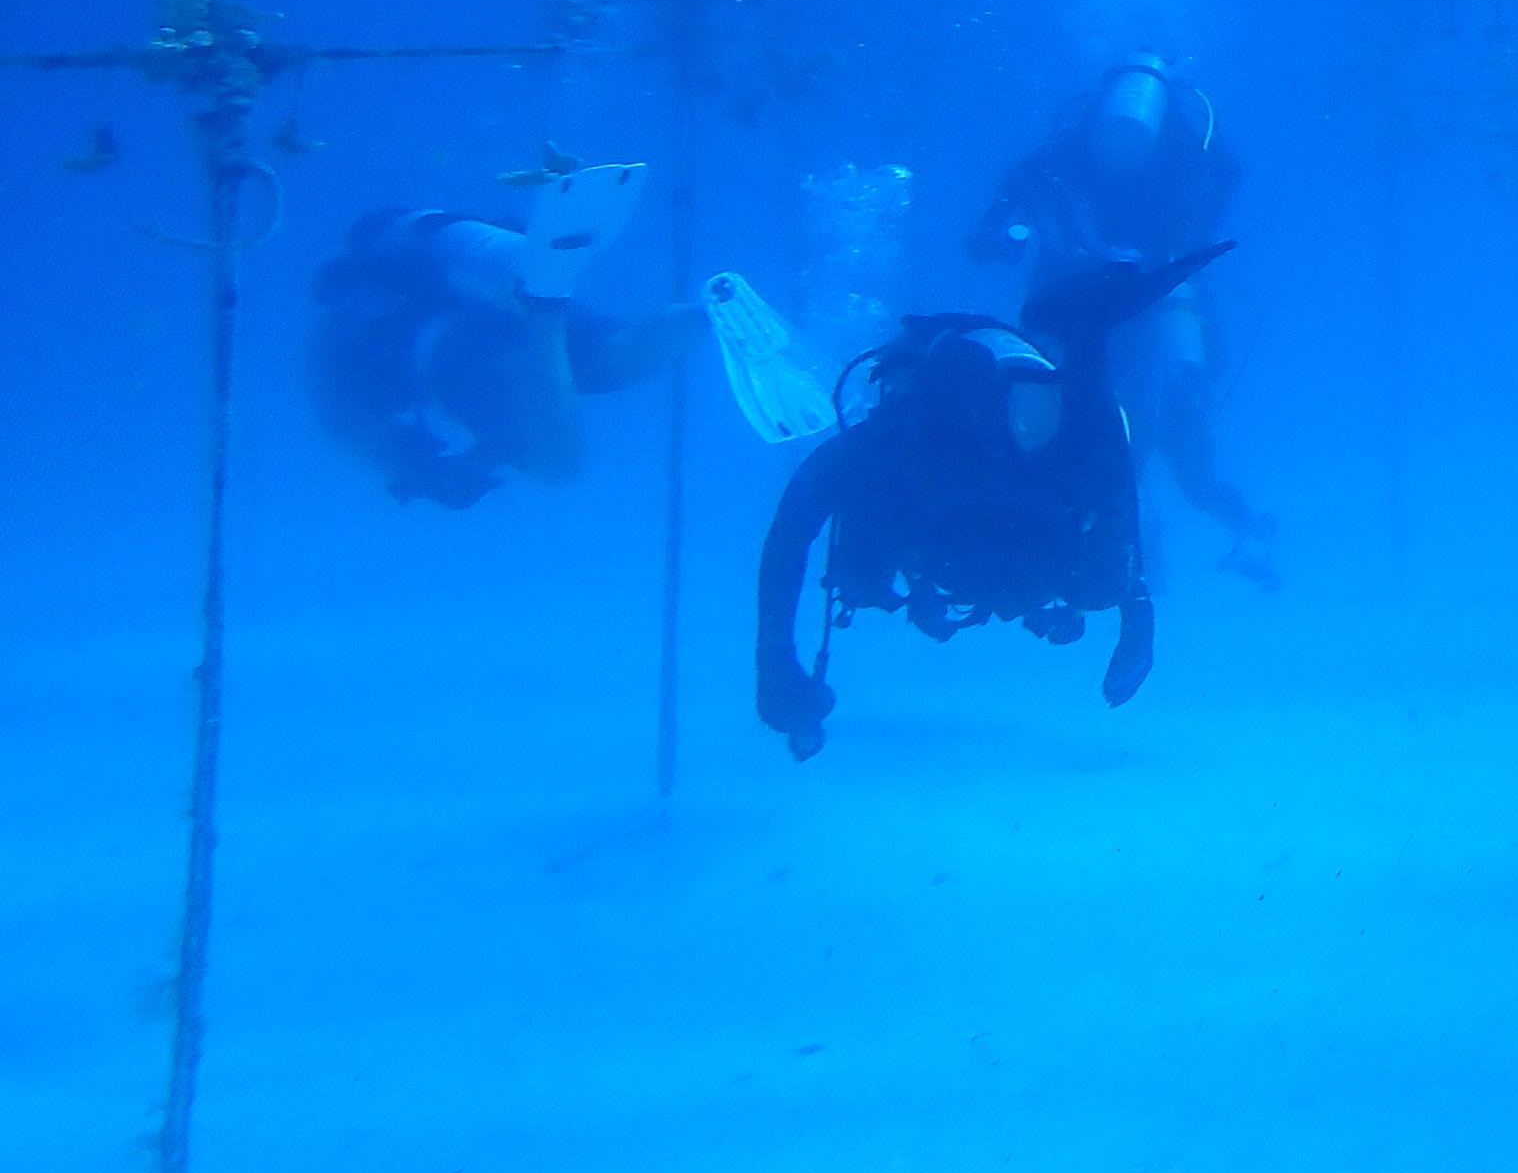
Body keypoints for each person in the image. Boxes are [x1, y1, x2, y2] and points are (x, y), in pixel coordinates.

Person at [752, 246, 1228, 760]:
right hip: (969, 521)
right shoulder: (907, 435)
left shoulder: (1063, 431)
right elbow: (796, 521)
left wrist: (774, 660)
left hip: (995, 522)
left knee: (1093, 577)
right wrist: (774, 661)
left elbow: (792, 528)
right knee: (865, 573)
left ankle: (1083, 337)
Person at [967, 56, 1271, 579]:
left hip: (1123, 317)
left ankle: (1151, 534)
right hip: (1118, 315)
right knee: (1173, 455)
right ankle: (1160, 534)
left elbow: (1005, 209)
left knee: (1158, 444)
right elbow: (1007, 207)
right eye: (1114, 133)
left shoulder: (1120, 153)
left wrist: (1000, 237)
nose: (1121, 145)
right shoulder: (1159, 155)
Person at [306, 164, 687, 508]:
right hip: (507, 302)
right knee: (618, 355)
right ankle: (711, 309)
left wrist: (421, 471)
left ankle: (547, 307)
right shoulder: (445, 276)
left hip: (448, 347)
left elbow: (344, 423)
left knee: (554, 464)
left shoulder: (348, 321)